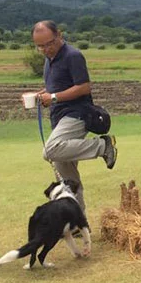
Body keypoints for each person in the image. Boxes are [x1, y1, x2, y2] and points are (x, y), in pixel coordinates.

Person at [32, 20, 117, 211]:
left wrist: (52, 97)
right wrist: (42, 94)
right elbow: (58, 86)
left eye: (49, 43)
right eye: (40, 46)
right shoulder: (49, 59)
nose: (46, 49)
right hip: (59, 117)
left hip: (76, 114)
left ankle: (103, 145)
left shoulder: (73, 56)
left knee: (50, 150)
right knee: (67, 178)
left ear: (59, 35)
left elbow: (84, 87)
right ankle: (77, 221)